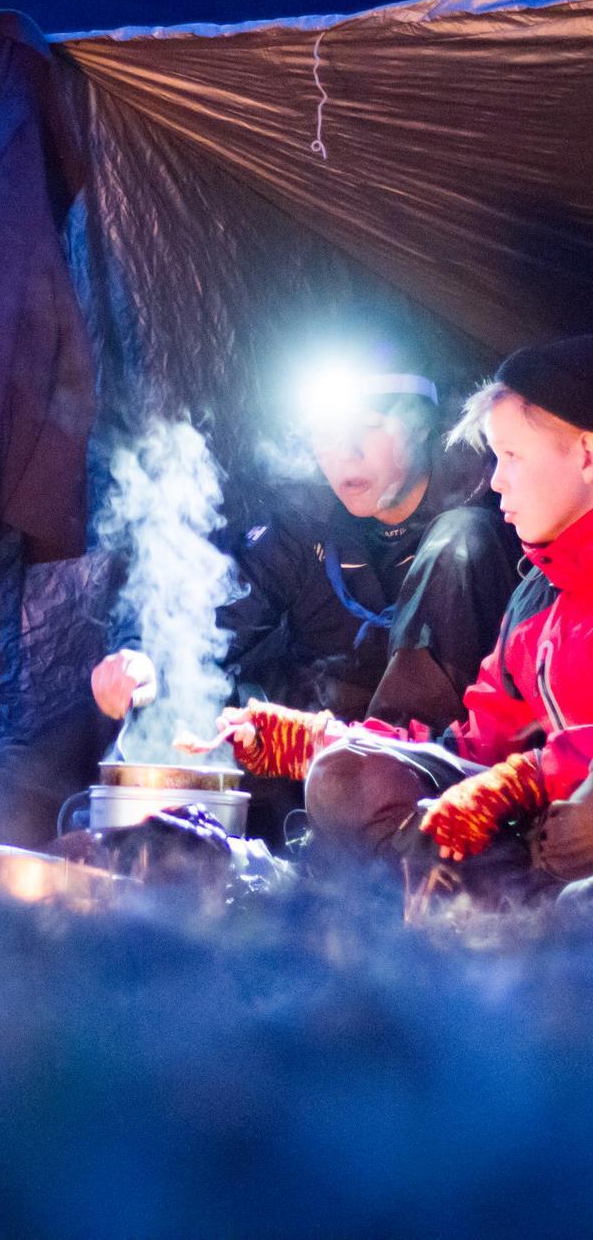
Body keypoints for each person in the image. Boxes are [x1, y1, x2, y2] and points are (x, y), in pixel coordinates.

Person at [219, 335, 593, 900]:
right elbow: (473, 748)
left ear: (587, 454)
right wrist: (315, 742)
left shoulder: (470, 533)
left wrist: (535, 780)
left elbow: (529, 772)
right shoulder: (539, 598)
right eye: (494, 458)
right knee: (350, 776)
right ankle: (409, 946)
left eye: (513, 457)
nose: (496, 481)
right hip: (539, 842)